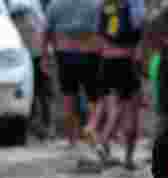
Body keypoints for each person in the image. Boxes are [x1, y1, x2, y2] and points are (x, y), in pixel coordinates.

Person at [41, 0, 104, 148]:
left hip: (65, 54)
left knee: (69, 97)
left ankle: (72, 140)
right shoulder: (96, 4)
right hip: (91, 53)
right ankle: (92, 131)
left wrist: (44, 56)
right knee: (94, 97)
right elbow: (103, 30)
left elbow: (46, 32)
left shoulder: (55, 4)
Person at [94, 0, 146, 169]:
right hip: (126, 61)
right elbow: (140, 35)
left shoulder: (105, 5)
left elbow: (100, 36)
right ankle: (128, 159)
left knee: (115, 107)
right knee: (131, 109)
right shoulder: (133, 5)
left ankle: (103, 142)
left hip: (106, 62)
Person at [8, 0, 51, 139]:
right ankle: (41, 125)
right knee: (39, 90)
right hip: (28, 52)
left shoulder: (23, 5)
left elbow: (41, 22)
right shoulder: (26, 4)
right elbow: (42, 22)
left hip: (30, 52)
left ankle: (41, 125)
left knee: (39, 90)